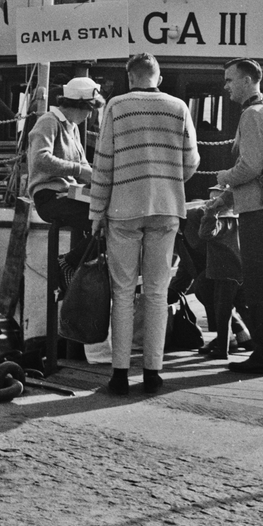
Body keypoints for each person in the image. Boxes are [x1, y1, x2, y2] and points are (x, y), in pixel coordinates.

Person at [87, 54, 199, 396]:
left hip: (123, 208)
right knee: (156, 292)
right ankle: (153, 374)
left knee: (122, 293)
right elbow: (192, 160)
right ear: (158, 78)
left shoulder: (117, 107)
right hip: (166, 209)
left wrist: (96, 211)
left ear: (129, 77)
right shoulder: (178, 107)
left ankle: (120, 375)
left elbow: (103, 163)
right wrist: (167, 181)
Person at [215, 58, 263, 375]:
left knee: (260, 286)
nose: (226, 86)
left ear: (248, 81)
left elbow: (249, 167)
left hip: (261, 210)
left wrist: (223, 176)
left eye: (230, 79)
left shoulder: (252, 114)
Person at [29, 76, 102, 285]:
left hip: (67, 194)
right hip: (49, 197)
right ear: (78, 105)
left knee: (107, 218)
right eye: (90, 109)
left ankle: (75, 269)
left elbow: (82, 163)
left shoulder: (72, 127)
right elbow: (40, 158)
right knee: (104, 221)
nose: (90, 115)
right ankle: (68, 263)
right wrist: (79, 170)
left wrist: (98, 177)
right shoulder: (48, 122)